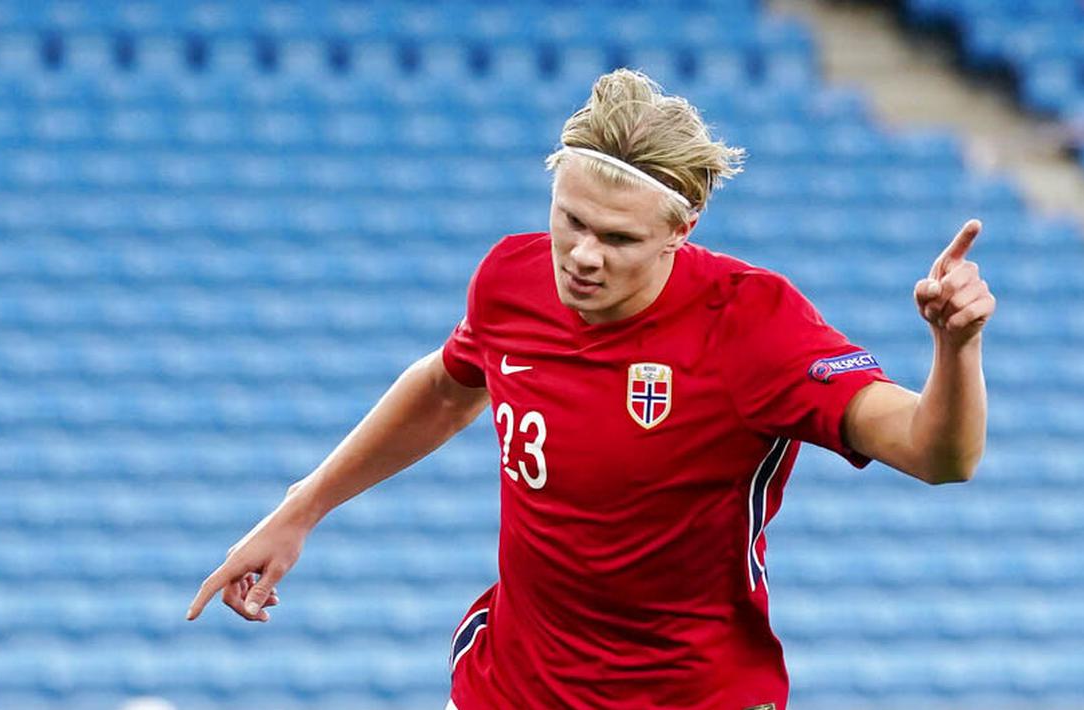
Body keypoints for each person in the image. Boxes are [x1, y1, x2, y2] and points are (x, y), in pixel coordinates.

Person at [186, 69, 996, 709]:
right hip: (510, 688)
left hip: (690, 698)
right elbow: (445, 387)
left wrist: (953, 348)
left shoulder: (754, 324)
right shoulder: (510, 277)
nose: (581, 255)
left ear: (681, 232)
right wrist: (303, 507)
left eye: (617, 238)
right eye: (569, 221)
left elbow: (936, 455)